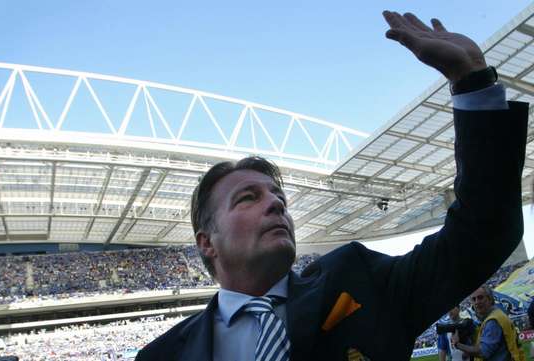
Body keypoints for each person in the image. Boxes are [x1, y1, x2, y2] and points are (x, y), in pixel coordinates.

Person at [136, 10, 528, 361]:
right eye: (248, 198)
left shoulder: (358, 278)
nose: (276, 205)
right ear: (207, 242)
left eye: (278, 196)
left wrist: (471, 81)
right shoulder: (163, 355)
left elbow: (483, 233)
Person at [452, 286, 525, 361]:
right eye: (474, 299)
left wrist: (458, 345)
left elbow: (483, 352)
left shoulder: (493, 321)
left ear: (490, 299)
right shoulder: (498, 315)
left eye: (480, 297)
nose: (477, 302)